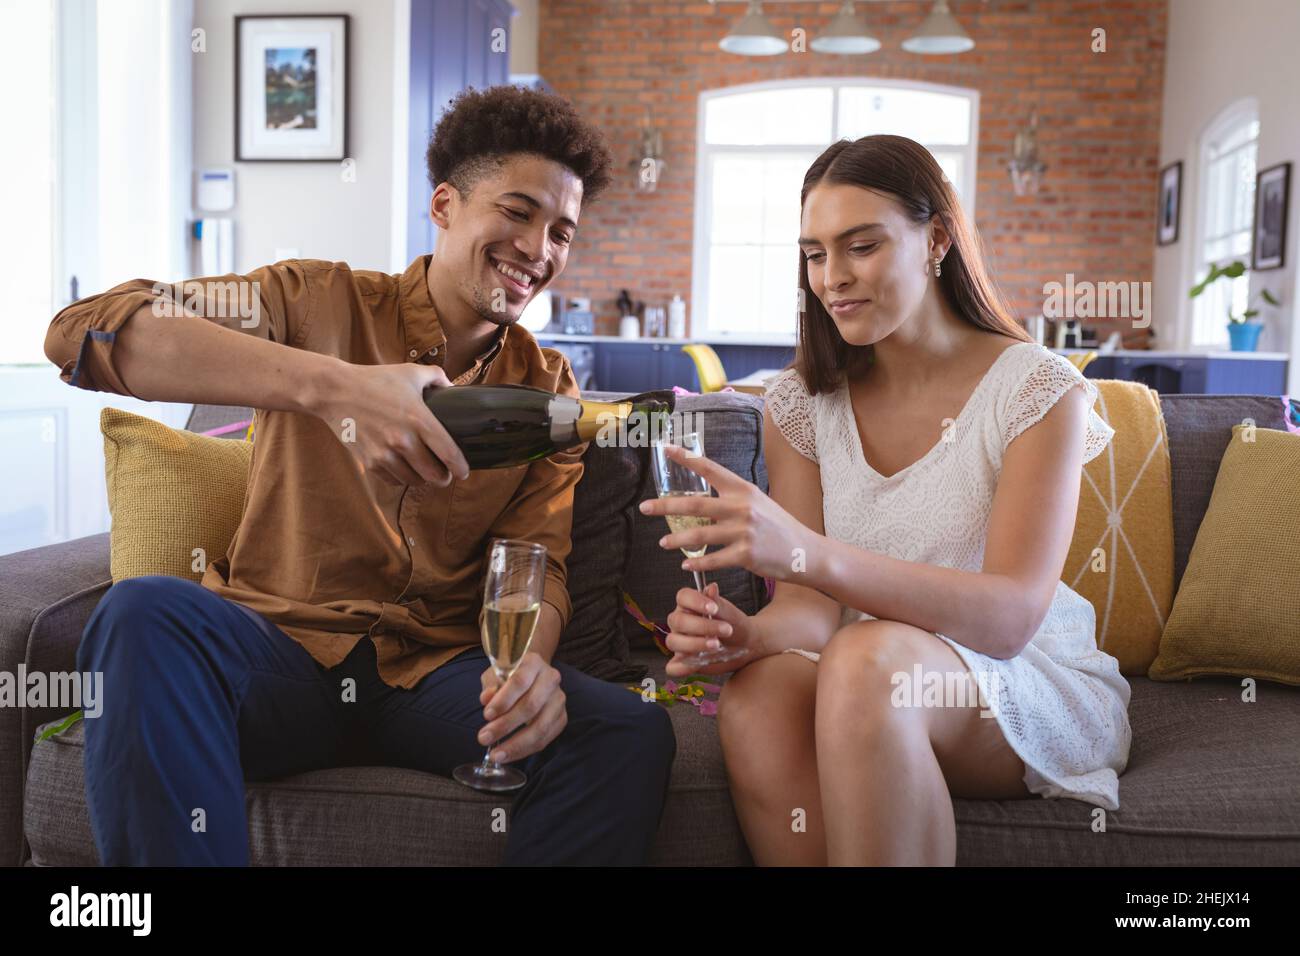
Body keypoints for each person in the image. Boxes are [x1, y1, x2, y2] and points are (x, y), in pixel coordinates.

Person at [44, 85, 675, 866]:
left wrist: (529, 673)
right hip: (276, 655)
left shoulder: (547, 392)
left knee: (625, 729)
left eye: (562, 232)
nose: (539, 250)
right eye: (517, 212)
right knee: (141, 614)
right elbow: (84, 334)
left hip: (434, 680)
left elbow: (535, 564)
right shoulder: (313, 299)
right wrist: (333, 385)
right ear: (445, 204)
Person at [639, 134, 1131, 866]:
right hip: (859, 670)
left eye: (860, 246)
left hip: (1018, 680)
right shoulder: (802, 404)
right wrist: (750, 636)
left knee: (867, 663)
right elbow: (807, 611)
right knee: (759, 697)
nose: (832, 278)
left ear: (936, 240)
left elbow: (1008, 619)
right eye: (813, 254)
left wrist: (810, 552)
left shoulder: (1036, 388)